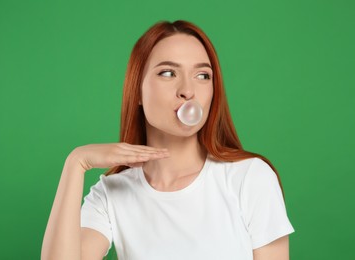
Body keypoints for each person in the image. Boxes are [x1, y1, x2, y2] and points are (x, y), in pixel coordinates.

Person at [41, 20, 295, 260]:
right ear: (137, 90)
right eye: (168, 73)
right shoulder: (112, 193)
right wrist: (76, 162)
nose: (188, 90)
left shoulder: (250, 178)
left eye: (202, 75)